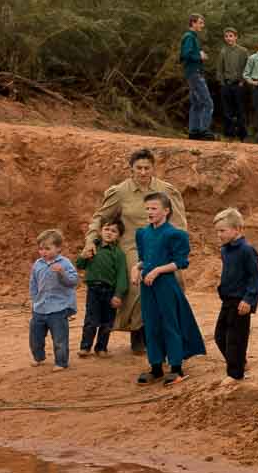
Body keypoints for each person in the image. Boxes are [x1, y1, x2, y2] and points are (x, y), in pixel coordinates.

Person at [86, 148, 188, 354]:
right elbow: (100, 217)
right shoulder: (120, 192)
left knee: (175, 279)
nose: (142, 172)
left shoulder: (165, 190)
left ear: (153, 168)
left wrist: (177, 247)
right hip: (131, 245)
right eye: (138, 168)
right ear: (131, 169)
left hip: (161, 243)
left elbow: (178, 222)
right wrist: (91, 240)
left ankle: (169, 332)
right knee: (139, 282)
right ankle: (139, 332)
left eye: (147, 168)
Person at [134, 191, 206, 385]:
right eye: (147, 208)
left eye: (154, 208)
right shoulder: (142, 233)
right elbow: (143, 259)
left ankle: (176, 368)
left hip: (166, 284)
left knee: (170, 323)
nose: (149, 211)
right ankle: (156, 367)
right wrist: (136, 268)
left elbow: (180, 262)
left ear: (166, 211)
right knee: (150, 324)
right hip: (147, 286)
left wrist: (157, 270)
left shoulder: (175, 234)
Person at [212, 208, 258, 381]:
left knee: (235, 339)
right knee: (220, 336)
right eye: (217, 231)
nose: (219, 235)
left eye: (223, 231)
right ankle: (239, 362)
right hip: (227, 300)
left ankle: (235, 375)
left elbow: (255, 279)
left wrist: (249, 299)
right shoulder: (225, 249)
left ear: (237, 229)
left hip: (241, 302)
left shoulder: (247, 250)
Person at [75, 217, 129, 356]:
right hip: (93, 290)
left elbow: (122, 276)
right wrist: (83, 256)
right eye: (106, 229)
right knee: (91, 320)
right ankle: (85, 347)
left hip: (110, 291)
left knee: (107, 322)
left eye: (114, 231)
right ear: (100, 231)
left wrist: (118, 295)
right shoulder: (93, 248)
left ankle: (101, 348)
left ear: (118, 235)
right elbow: (80, 265)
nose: (109, 233)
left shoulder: (118, 254)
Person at [28, 228, 81, 370]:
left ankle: (61, 362)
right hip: (40, 308)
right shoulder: (38, 264)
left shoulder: (65, 263)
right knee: (35, 337)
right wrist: (33, 300)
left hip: (58, 308)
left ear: (58, 248)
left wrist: (62, 273)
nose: (43, 252)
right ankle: (38, 357)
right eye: (40, 249)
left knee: (60, 338)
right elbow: (33, 283)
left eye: (47, 248)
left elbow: (74, 281)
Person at [181, 13, 212, 141]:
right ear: (193, 23)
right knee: (208, 103)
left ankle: (193, 131)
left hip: (192, 72)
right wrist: (200, 56)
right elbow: (185, 55)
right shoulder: (189, 37)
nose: (202, 25)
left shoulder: (192, 37)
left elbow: (188, 54)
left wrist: (199, 55)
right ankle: (203, 130)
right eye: (200, 23)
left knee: (197, 103)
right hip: (194, 73)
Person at [216, 28, 250, 141]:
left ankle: (242, 135)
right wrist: (221, 82)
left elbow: (247, 67)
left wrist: (242, 81)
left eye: (231, 36)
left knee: (240, 110)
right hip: (226, 84)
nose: (228, 38)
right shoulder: (223, 51)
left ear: (236, 37)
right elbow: (219, 68)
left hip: (239, 85)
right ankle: (229, 135)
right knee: (227, 111)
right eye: (226, 36)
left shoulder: (243, 51)